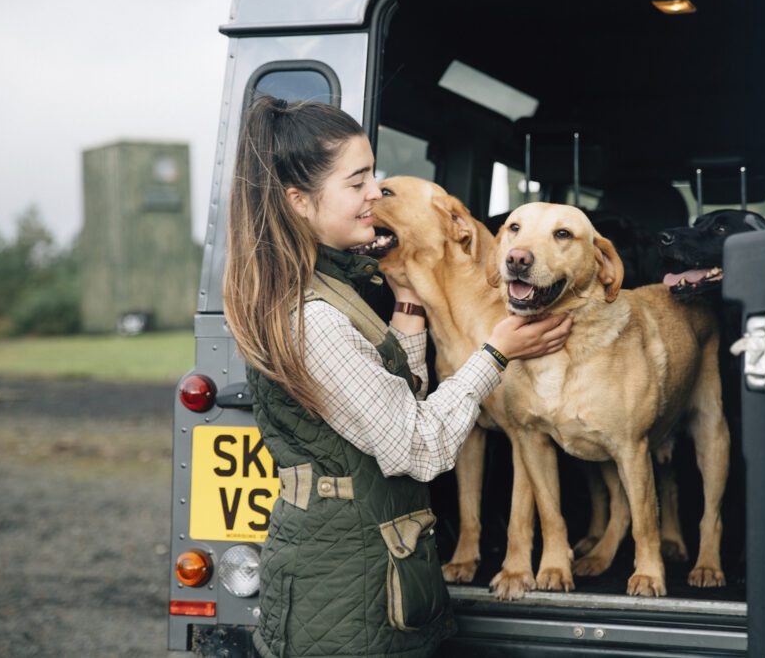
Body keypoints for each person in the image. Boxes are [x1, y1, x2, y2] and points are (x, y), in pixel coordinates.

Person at [222, 95, 572, 658]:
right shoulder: (314, 319)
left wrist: (408, 305)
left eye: (377, 181)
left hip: (375, 577)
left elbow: (393, 400)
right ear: (300, 202)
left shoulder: (336, 286)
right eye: (358, 183)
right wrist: (495, 354)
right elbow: (418, 446)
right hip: (344, 600)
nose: (373, 197)